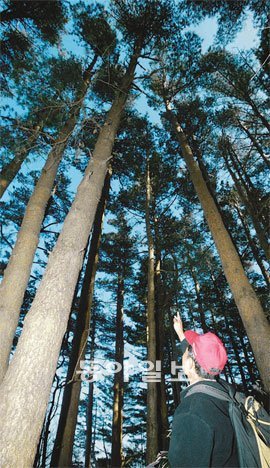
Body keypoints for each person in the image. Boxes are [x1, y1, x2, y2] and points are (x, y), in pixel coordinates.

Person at [168, 312, 239, 468]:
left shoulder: (192, 411)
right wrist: (180, 333)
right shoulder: (226, 396)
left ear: (191, 365)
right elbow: (195, 356)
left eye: (187, 352)